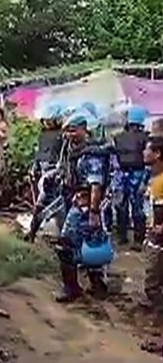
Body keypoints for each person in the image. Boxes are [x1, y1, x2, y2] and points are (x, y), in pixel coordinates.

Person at [54, 113, 112, 303]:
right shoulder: (72, 151)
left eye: (73, 130)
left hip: (87, 206)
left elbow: (96, 184)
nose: (69, 134)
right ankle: (96, 286)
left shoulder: (91, 154)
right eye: (67, 130)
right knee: (88, 243)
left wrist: (93, 212)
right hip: (78, 202)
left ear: (84, 129)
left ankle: (73, 288)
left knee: (67, 244)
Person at [112, 105, 150, 248]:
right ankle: (138, 240)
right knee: (137, 207)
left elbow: (114, 158)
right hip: (137, 174)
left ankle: (123, 237)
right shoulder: (146, 137)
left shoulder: (118, 137)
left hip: (122, 175)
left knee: (121, 206)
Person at [26, 104, 65, 242]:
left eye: (50, 119)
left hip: (54, 172)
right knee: (47, 202)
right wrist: (34, 167)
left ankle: (33, 231)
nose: (47, 122)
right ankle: (33, 231)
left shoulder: (62, 136)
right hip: (43, 169)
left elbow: (62, 155)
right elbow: (39, 153)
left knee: (50, 203)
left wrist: (59, 170)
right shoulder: (43, 135)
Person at [142, 136, 163, 313]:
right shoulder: (155, 177)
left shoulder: (160, 180)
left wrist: (158, 227)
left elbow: (159, 207)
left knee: (153, 280)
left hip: (159, 234)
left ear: (157, 154)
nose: (143, 152)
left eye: (147, 149)